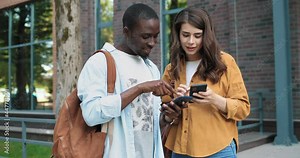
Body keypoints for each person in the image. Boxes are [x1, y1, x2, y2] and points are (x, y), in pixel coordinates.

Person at [77, 3, 175, 158]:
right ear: (126, 32)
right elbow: (91, 114)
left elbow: (149, 124)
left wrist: (167, 117)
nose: (152, 43)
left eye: (155, 36)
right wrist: (139, 89)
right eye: (146, 36)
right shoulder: (101, 62)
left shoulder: (151, 68)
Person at [160, 7, 251, 158]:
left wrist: (214, 99)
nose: (191, 41)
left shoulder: (225, 62)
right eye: (185, 35)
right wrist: (176, 104)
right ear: (177, 35)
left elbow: (243, 109)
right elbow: (165, 114)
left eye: (197, 36)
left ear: (206, 35)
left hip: (219, 149)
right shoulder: (171, 69)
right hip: (181, 150)